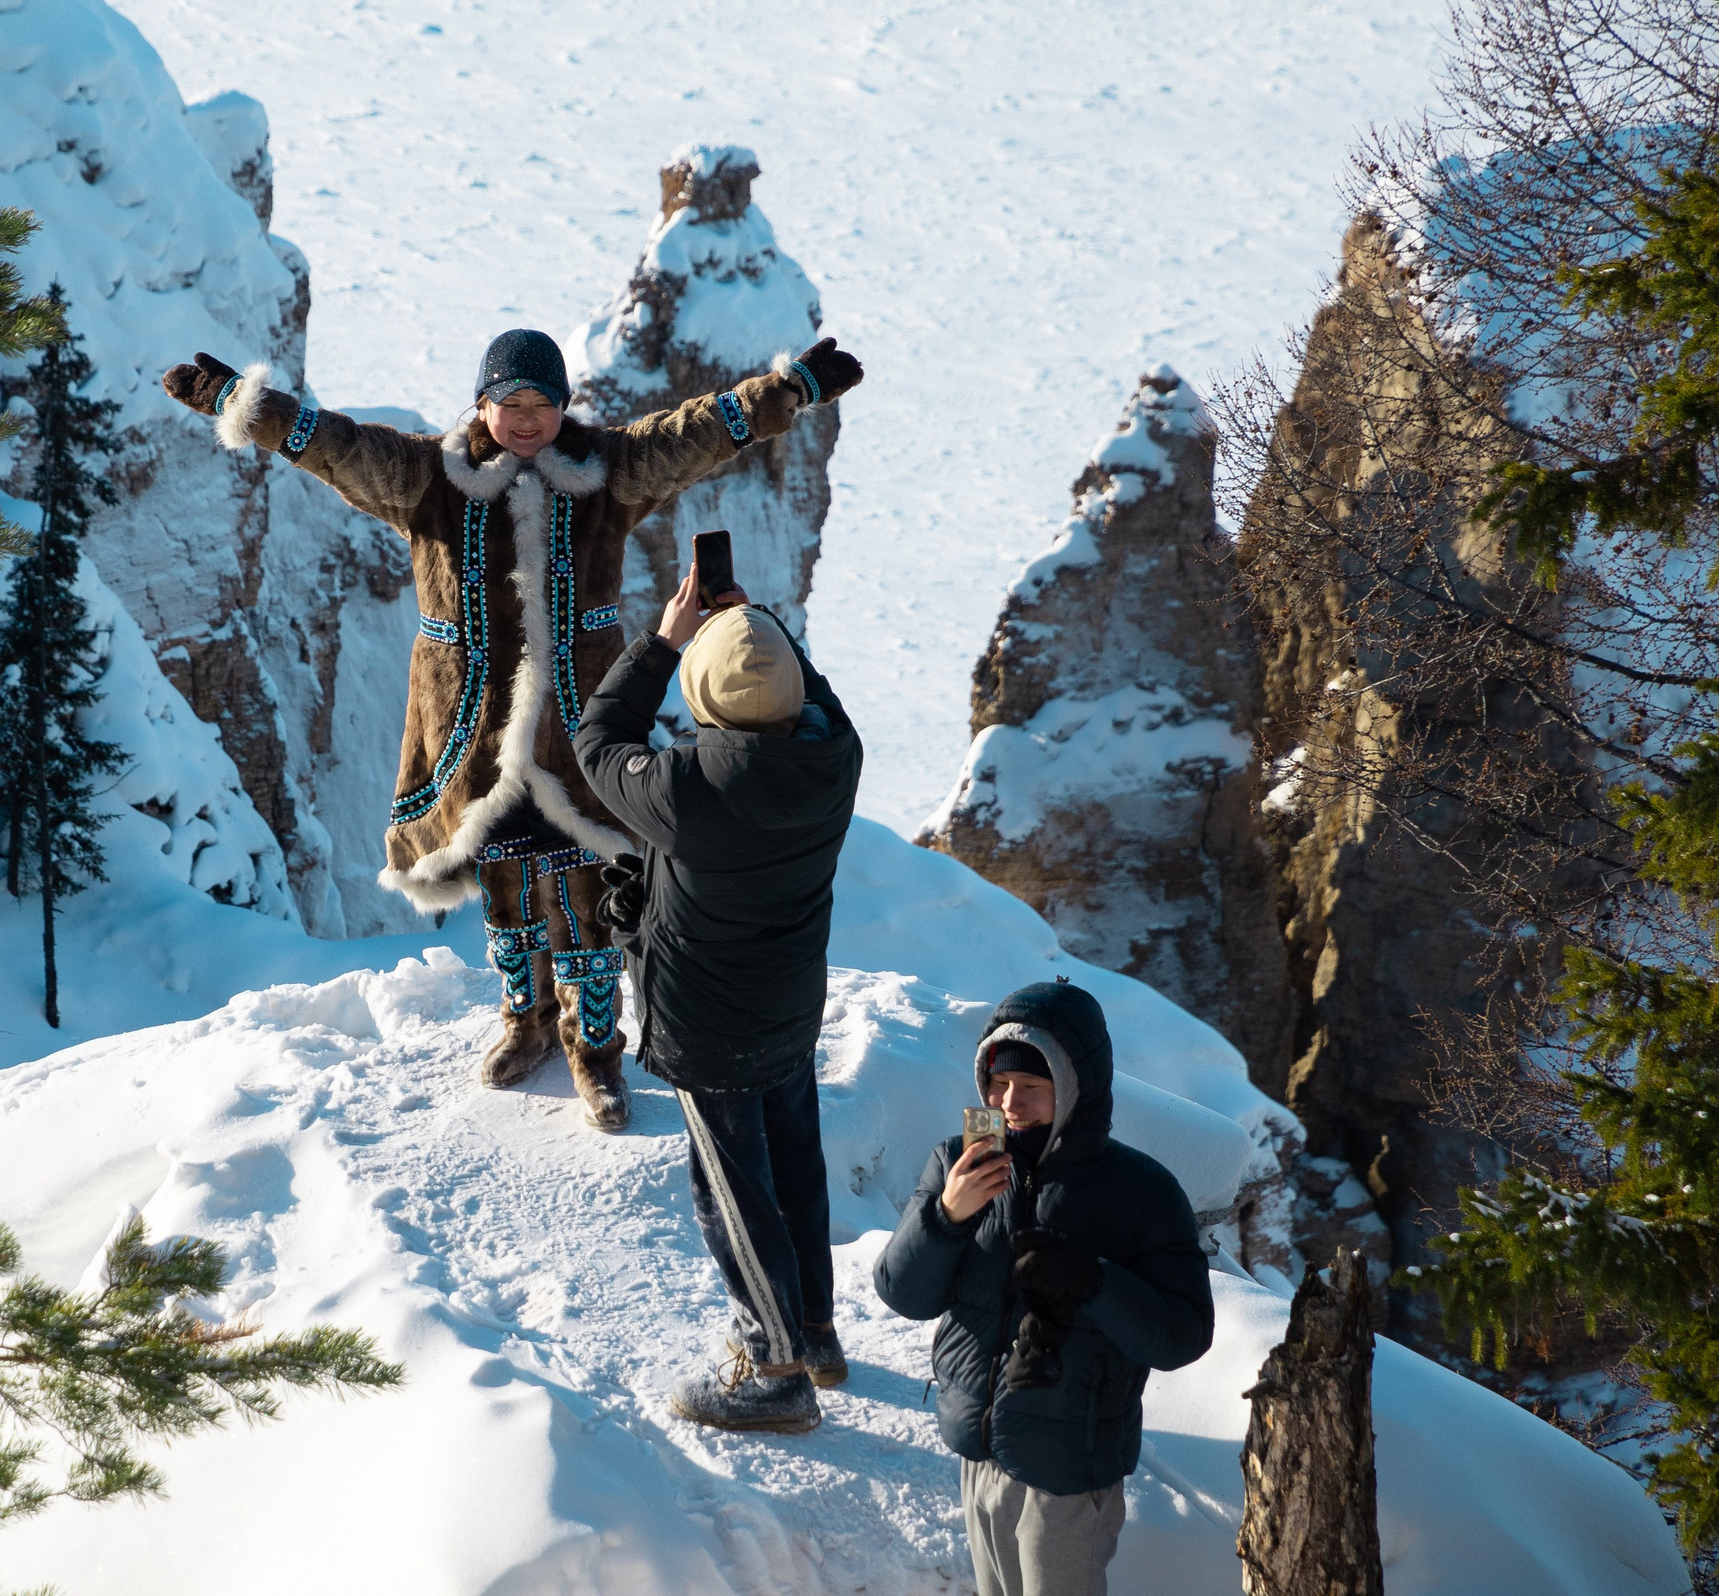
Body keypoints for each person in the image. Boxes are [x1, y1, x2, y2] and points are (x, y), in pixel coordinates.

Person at [160, 330, 863, 1131]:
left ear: (564, 407)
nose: (526, 421)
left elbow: (694, 432)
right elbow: (335, 445)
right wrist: (243, 405)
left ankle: (595, 1051)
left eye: (543, 404)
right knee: (506, 890)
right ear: (482, 402)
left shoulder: (609, 470)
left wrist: (790, 389)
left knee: (587, 897)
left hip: (577, 735)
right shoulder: (428, 475)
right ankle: (524, 1020)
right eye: (509, 403)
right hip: (473, 735)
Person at [573, 564, 863, 1431]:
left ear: (704, 698)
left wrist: (665, 639)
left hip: (709, 1024)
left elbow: (597, 737)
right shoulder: (835, 760)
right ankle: (813, 1329)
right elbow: (820, 701)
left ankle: (773, 1368)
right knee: (795, 1164)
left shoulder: (682, 791)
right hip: (788, 1005)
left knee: (734, 1191)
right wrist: (762, 634)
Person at [873, 980, 1215, 1596]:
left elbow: (1182, 1336)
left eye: (1033, 1087)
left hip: (1068, 1467)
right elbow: (905, 1295)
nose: (1010, 1103)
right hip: (978, 1446)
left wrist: (1094, 1281)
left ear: (1076, 1088)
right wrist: (945, 1216)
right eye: (998, 1085)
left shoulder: (1141, 1191)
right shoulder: (958, 1161)